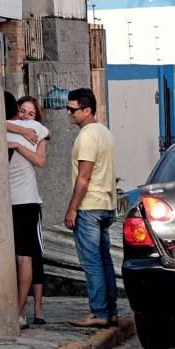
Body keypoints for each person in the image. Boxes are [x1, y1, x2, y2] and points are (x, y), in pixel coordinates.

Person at [64, 88, 118, 328]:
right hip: (106, 205)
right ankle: (111, 311)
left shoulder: (87, 135)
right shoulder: (105, 132)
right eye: (68, 108)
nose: (69, 113)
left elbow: (84, 177)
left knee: (92, 262)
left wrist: (72, 208)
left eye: (73, 109)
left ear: (87, 110)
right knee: (104, 260)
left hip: (89, 207)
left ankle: (99, 312)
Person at [4, 92, 49, 329]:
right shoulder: (11, 128)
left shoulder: (37, 129)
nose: (26, 118)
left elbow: (40, 161)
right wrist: (18, 134)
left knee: (26, 259)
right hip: (4, 203)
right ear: (15, 110)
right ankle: (16, 311)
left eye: (31, 114)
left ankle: (21, 312)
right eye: (23, 112)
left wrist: (17, 146)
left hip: (27, 202)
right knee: (14, 260)